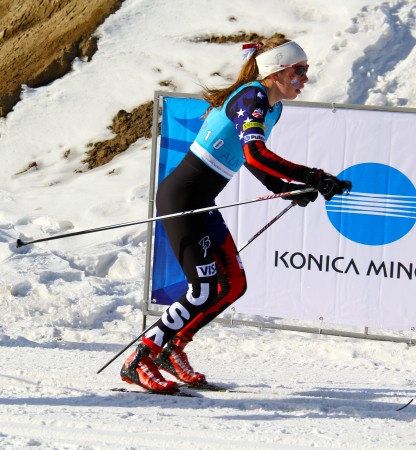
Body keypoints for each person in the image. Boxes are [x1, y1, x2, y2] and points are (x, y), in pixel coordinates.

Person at [120, 37, 352, 393]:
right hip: (182, 198)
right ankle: (139, 359)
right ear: (276, 71)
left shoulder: (272, 107)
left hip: (202, 200)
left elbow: (249, 159)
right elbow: (257, 154)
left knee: (234, 284)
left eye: (306, 71)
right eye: (299, 71)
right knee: (201, 290)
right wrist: (313, 176)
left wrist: (285, 188)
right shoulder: (252, 96)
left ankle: (173, 351)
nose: (305, 78)